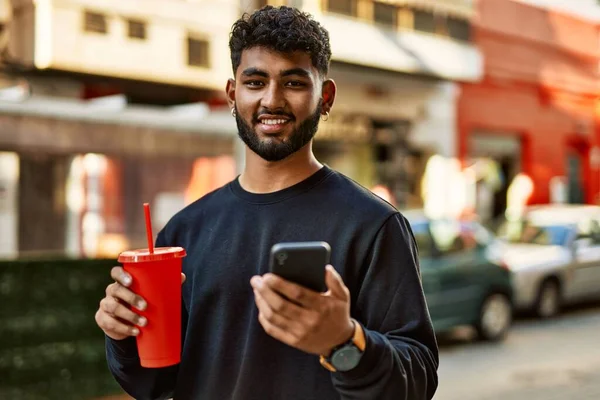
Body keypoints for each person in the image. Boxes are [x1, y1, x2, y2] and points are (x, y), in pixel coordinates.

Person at [95, 6, 439, 400]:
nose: (271, 100)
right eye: (255, 82)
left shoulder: (374, 226)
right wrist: (122, 334)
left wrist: (344, 341)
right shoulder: (184, 231)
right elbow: (153, 383)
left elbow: (418, 380)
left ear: (325, 97)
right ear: (232, 94)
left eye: (293, 83)